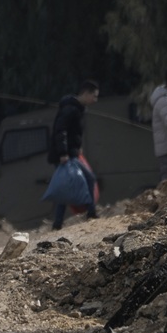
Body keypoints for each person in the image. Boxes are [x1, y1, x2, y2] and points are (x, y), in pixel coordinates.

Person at [47, 80, 100, 229]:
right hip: (65, 156)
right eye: (94, 96)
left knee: (66, 187)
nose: (95, 100)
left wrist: (78, 147)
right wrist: (63, 152)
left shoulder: (77, 109)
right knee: (89, 179)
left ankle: (58, 223)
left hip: (72, 153)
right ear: (86, 93)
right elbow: (61, 131)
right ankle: (91, 212)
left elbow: (73, 133)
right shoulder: (70, 109)